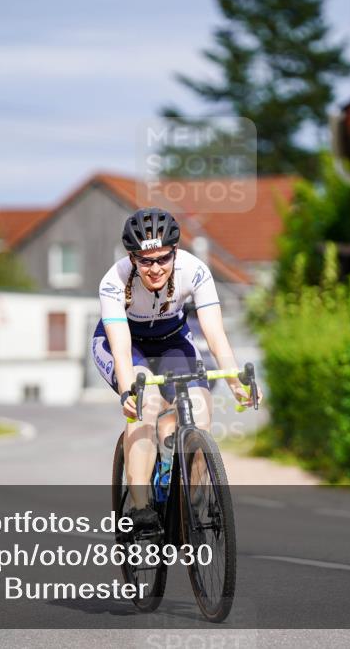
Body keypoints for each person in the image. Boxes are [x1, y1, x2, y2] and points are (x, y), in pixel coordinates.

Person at [91, 207, 263, 532]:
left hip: (172, 341)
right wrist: (130, 391)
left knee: (200, 411)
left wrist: (235, 379)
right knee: (148, 403)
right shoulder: (113, 281)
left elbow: (215, 335)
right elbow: (122, 348)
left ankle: (193, 504)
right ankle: (141, 508)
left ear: (175, 251)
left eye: (163, 258)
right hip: (127, 346)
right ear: (132, 258)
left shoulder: (194, 270)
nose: (155, 268)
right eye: (145, 260)